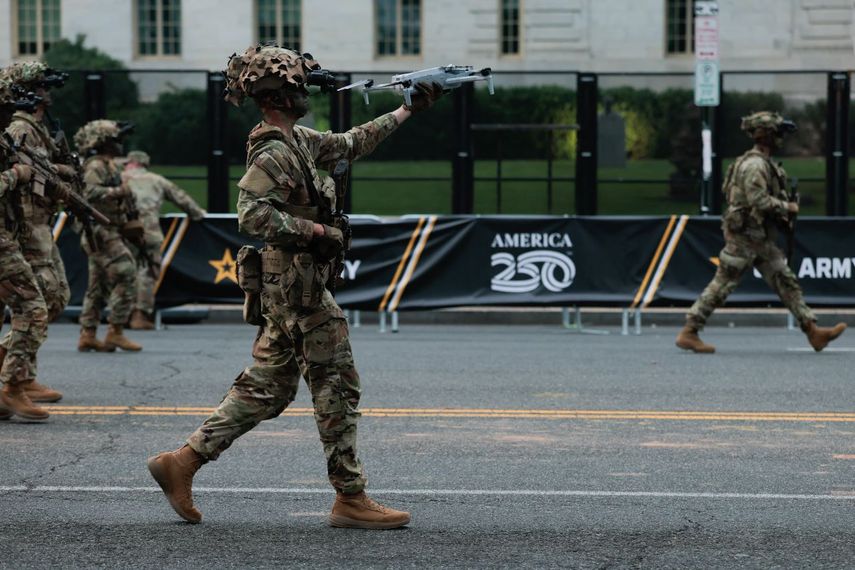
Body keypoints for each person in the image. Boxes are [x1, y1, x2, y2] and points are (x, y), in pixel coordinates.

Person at [147, 45, 442, 528]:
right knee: (337, 384)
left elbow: (350, 143)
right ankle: (350, 497)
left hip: (289, 286)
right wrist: (319, 232)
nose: (307, 91)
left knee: (268, 386)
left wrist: (407, 108)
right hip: (298, 288)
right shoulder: (275, 150)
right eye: (300, 85)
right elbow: (252, 214)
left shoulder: (296, 140)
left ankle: (182, 462)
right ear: (281, 92)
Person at [676, 111, 846, 353]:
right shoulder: (755, 165)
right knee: (722, 284)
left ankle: (813, 331)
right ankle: (689, 331)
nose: (782, 139)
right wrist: (788, 207)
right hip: (745, 238)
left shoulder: (758, 162)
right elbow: (758, 200)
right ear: (768, 136)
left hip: (759, 238)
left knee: (785, 281)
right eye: (778, 134)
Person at [0, 62, 73, 403]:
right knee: (35, 302)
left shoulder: (41, 128)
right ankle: (16, 376)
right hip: (26, 226)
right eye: (38, 87)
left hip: (37, 221)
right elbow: (21, 176)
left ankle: (19, 371)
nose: (45, 93)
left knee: (52, 298)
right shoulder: (19, 128)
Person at [74, 120, 142, 353]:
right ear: (102, 142)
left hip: (109, 230)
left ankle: (88, 334)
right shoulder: (95, 166)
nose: (120, 144)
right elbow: (88, 193)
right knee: (126, 272)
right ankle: (115, 330)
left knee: (97, 285)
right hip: (100, 232)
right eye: (115, 140)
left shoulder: (109, 165)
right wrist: (119, 191)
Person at [122, 150, 206, 330]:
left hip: (122, 233)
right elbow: (181, 198)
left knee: (124, 273)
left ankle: (121, 314)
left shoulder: (119, 179)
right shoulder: (157, 180)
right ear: (144, 164)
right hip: (148, 233)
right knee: (146, 273)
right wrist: (198, 214)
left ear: (130, 163)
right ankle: (140, 315)